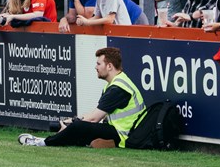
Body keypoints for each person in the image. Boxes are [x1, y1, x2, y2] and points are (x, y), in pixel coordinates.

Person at [17, 47, 147, 148]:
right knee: (78, 127)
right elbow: (97, 115)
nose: (95, 67)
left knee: (79, 127)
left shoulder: (118, 88)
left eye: (98, 64)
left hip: (125, 135)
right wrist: (71, 121)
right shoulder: (116, 83)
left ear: (109, 66)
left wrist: (72, 124)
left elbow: (94, 118)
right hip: (121, 132)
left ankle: (42, 142)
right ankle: (83, 140)